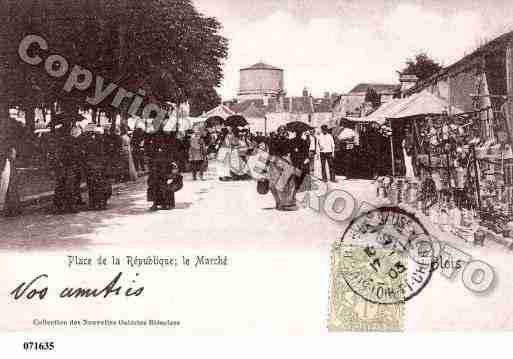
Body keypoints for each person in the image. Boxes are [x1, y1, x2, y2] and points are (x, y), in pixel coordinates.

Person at [267, 126, 297, 211]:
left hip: (285, 161)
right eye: (280, 131)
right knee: (273, 184)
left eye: (283, 131)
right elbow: (271, 152)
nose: (282, 132)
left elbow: (291, 152)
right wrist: (267, 164)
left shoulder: (287, 141)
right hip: (276, 162)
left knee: (286, 183)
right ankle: (278, 201)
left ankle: (284, 202)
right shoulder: (273, 140)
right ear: (278, 132)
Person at [83, 126, 112, 210]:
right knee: (95, 186)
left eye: (99, 134)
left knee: (99, 186)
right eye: (97, 134)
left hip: (99, 167)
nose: (98, 136)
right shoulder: (92, 143)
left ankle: (99, 203)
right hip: (95, 167)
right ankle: (97, 203)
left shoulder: (104, 143)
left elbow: (108, 155)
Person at [0, 147, 21, 217]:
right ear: (10, 154)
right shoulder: (6, 162)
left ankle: (14, 210)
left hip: (12, 182)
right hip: (8, 181)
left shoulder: (12, 162)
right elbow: (5, 173)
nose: (14, 156)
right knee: (9, 195)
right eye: (13, 154)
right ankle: (11, 210)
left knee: (13, 195)